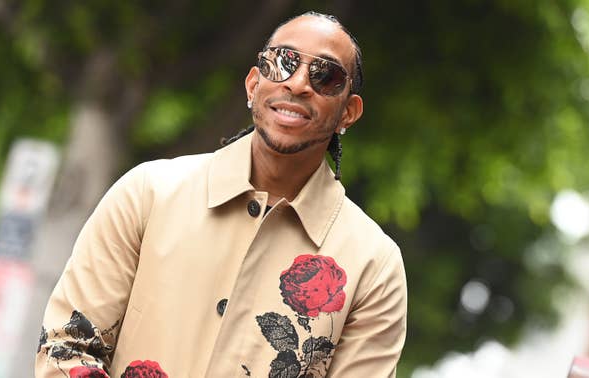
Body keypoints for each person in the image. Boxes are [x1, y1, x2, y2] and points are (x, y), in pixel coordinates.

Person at [36, 11, 407, 378]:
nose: (296, 84)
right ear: (252, 85)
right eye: (281, 62)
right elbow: (66, 346)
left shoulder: (374, 266)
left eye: (326, 76)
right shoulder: (148, 193)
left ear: (349, 113)